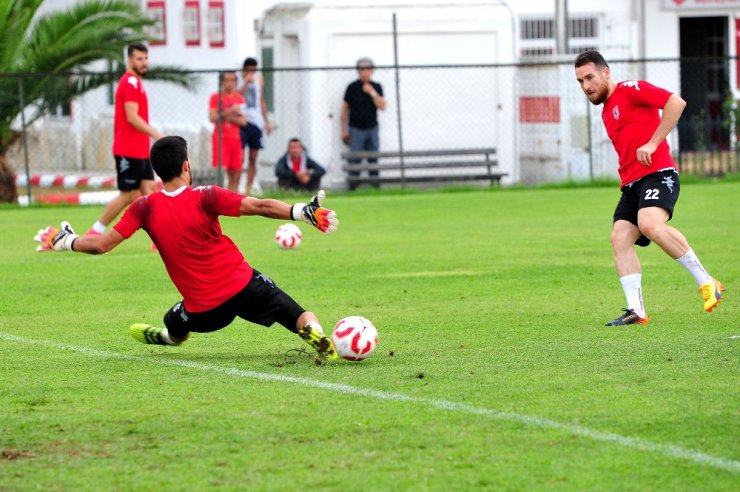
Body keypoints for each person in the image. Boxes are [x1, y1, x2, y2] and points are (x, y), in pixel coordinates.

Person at [43, 136, 340, 360]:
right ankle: (316, 335)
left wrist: (66, 240)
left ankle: (166, 337)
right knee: (299, 314)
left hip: (204, 311)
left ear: (158, 172)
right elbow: (259, 205)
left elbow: (101, 245)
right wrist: (302, 211)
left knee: (174, 323)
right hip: (244, 285)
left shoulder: (143, 207)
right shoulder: (206, 195)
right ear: (186, 166)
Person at [573, 50, 724, 326]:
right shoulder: (607, 110)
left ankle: (707, 282)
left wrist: (653, 143)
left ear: (606, 73)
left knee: (651, 224)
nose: (586, 86)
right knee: (619, 238)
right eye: (581, 81)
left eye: (590, 78)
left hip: (658, 173)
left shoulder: (632, 89)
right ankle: (636, 311)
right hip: (632, 185)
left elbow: (675, 103)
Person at [87, 43, 163, 237]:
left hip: (141, 149)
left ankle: (161, 236)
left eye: (146, 58)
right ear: (129, 60)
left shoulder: (136, 82)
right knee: (129, 195)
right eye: (139, 59)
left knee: (150, 192)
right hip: (128, 150)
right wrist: (155, 133)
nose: (144, 62)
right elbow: (132, 116)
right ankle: (96, 231)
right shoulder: (129, 83)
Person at [340, 57, 386, 190]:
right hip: (356, 129)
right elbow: (344, 109)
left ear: (372, 71)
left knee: (373, 158)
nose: (365, 72)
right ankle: (353, 187)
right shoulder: (352, 87)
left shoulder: (376, 87)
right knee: (355, 159)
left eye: (368, 69)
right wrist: (344, 130)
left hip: (372, 128)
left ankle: (375, 186)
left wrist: (371, 92)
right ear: (358, 72)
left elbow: (382, 106)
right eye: (362, 70)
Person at [239, 57, 272, 194]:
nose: (252, 72)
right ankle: (236, 186)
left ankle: (248, 187)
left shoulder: (259, 79)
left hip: (256, 122)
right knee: (240, 158)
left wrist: (266, 121)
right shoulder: (238, 79)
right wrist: (246, 83)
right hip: (242, 120)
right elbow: (236, 96)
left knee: (253, 157)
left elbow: (261, 100)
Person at [210, 71, 247, 192]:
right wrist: (231, 111)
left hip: (235, 138)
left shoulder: (239, 98)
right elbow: (212, 117)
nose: (229, 83)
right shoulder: (216, 97)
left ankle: (232, 202)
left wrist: (225, 116)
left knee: (235, 173)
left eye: (232, 80)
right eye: (227, 80)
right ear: (222, 82)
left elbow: (243, 121)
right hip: (220, 138)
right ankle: (218, 200)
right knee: (220, 172)